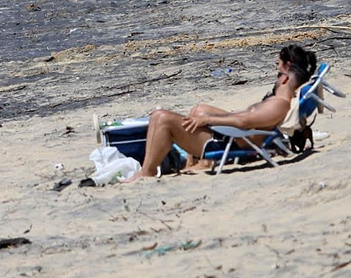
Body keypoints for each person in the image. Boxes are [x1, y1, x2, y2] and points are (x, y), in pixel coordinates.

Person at [129, 45, 315, 181]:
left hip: (226, 141)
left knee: (160, 117)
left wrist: (208, 120)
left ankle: (147, 171)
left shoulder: (278, 104)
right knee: (199, 109)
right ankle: (195, 163)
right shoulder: (278, 101)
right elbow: (247, 118)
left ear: (286, 74)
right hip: (232, 137)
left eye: (279, 65)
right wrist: (206, 116)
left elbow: (245, 122)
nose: (276, 70)